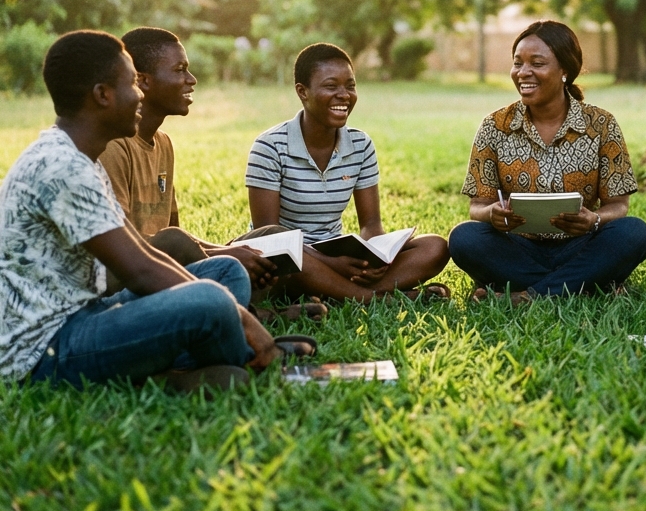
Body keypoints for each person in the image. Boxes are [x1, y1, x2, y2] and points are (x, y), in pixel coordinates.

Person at [0, 31, 307, 391]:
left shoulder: (80, 157)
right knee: (210, 298)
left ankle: (176, 367)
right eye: (132, 83)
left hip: (85, 314)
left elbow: (144, 252)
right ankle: (243, 360)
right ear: (103, 95)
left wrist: (225, 302)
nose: (140, 95)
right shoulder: (62, 167)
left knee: (224, 272)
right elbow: (140, 271)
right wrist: (241, 316)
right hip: (44, 351)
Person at [98, 27, 304, 309]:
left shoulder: (163, 143)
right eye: (180, 70)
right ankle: (247, 312)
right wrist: (224, 255)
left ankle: (242, 302)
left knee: (272, 237)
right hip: (124, 280)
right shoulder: (113, 146)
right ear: (143, 81)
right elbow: (125, 245)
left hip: (166, 265)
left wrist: (228, 251)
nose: (191, 80)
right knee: (176, 242)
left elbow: (175, 233)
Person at [448, 20, 646, 303]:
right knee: (464, 238)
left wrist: (594, 220)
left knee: (634, 233)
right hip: (518, 248)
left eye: (537, 63)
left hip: (580, 245)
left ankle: (529, 294)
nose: (523, 72)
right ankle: (584, 283)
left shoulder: (601, 124)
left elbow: (618, 205)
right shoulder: (494, 126)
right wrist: (492, 213)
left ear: (565, 70)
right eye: (517, 63)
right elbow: (477, 206)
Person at [240, 42, 451, 303]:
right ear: (302, 92)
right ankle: (373, 297)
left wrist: (377, 257)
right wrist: (330, 263)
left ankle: (337, 291)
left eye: (350, 86)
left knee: (434, 247)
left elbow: (371, 225)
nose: (344, 95)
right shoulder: (270, 146)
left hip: (336, 255)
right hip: (290, 259)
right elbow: (269, 236)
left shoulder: (361, 145)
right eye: (331, 86)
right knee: (285, 260)